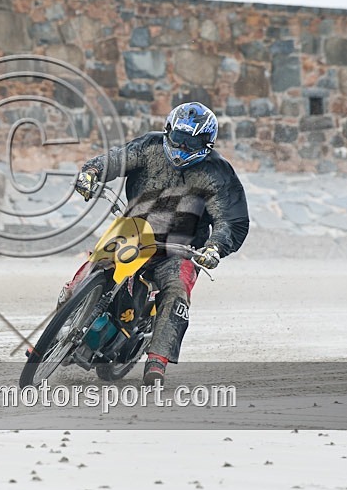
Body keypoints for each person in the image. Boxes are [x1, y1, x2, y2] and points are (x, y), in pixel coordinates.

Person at [72, 102, 250, 386]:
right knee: (99, 261)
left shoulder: (219, 173)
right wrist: (92, 171)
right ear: (168, 131)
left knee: (177, 290)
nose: (185, 146)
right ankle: (67, 311)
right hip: (134, 229)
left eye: (194, 141)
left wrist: (215, 247)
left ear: (208, 143)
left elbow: (232, 219)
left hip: (180, 249)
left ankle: (157, 359)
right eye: (180, 138)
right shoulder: (150, 146)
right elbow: (117, 159)